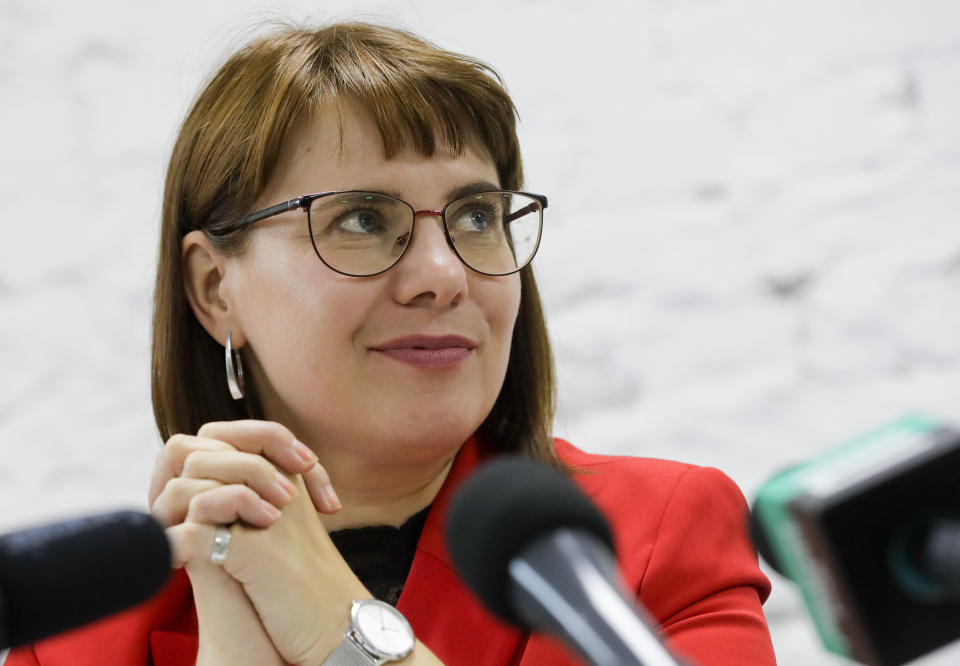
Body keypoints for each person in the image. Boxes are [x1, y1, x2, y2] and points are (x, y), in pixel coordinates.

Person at [6, 20, 777, 666]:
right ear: (215, 288)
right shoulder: (74, 638)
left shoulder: (651, 541)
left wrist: (337, 625)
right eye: (364, 220)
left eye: (476, 215)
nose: (442, 276)